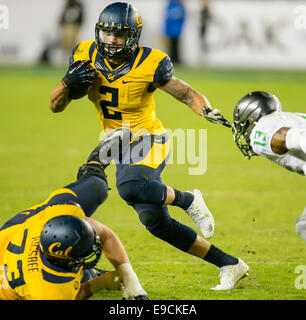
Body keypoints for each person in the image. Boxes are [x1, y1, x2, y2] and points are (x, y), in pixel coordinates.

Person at [49, 2, 248, 290]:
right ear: (98, 32)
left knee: (129, 186)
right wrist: (67, 83)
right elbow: (56, 105)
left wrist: (205, 109)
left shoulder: (149, 62)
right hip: (114, 143)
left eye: (120, 35)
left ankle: (188, 199)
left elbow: (185, 92)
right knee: (157, 223)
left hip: (148, 138)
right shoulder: (84, 55)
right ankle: (230, 263)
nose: (112, 40)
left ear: (133, 37)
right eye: (107, 33)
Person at [0, 131, 149, 300]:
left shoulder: (60, 214)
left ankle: (95, 163)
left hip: (13, 233)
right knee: (83, 277)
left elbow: (105, 235)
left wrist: (130, 278)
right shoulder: (49, 292)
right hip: (19, 272)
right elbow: (79, 293)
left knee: (96, 187)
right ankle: (89, 273)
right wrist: (105, 281)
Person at [232, 91, 306, 241]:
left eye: (243, 124)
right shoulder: (291, 117)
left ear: (251, 118)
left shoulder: (261, 129)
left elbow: (293, 137)